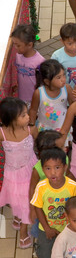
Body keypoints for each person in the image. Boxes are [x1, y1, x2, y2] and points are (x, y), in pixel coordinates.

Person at [30, 147, 76, 258]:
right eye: (48, 168)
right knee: (45, 256)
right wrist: (46, 228)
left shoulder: (72, 186)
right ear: (43, 169)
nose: (53, 172)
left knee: (67, 257)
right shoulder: (41, 187)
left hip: (68, 231)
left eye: (57, 167)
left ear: (65, 168)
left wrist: (71, 229)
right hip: (46, 230)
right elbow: (38, 207)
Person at [0, 97, 38, 249]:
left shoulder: (31, 130)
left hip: (30, 170)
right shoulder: (2, 134)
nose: (28, 117)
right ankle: (20, 226)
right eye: (23, 115)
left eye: (27, 113)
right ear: (11, 120)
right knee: (17, 199)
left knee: (27, 203)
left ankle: (22, 228)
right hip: (13, 173)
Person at [29, 130, 70, 243]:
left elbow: (69, 173)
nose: (65, 149)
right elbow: (32, 189)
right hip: (44, 203)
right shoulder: (37, 169)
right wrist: (32, 209)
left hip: (61, 198)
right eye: (60, 147)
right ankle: (39, 241)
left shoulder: (64, 160)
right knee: (40, 223)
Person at [29, 59, 74, 133]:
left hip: (62, 127)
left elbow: (73, 106)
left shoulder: (67, 89)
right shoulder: (39, 93)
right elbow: (33, 110)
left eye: (63, 75)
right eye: (58, 77)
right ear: (47, 81)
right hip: (44, 129)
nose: (63, 79)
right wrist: (32, 126)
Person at [11, 24, 45, 107]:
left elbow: (43, 82)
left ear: (30, 45)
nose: (15, 47)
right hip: (21, 98)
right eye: (14, 44)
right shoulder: (17, 56)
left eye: (18, 45)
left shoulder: (40, 61)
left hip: (34, 99)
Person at [51, 23, 76, 88]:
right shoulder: (57, 56)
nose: (74, 47)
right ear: (62, 41)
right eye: (70, 44)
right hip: (63, 90)